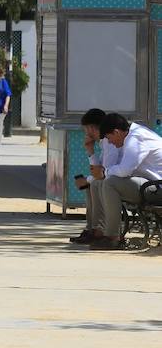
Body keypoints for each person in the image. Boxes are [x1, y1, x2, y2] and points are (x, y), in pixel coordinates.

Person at [90, 113, 162, 251]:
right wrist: (105, 172)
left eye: (109, 138)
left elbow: (124, 170)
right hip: (151, 184)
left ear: (116, 132)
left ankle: (112, 237)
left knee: (110, 183)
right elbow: (118, 168)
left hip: (157, 187)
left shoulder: (135, 138)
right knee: (100, 183)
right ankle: (100, 230)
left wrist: (105, 172)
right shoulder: (130, 136)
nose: (110, 142)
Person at [69, 107, 118, 247]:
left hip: (115, 182)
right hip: (110, 179)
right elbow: (98, 170)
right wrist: (90, 151)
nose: (85, 133)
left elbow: (102, 174)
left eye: (85, 129)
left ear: (91, 128)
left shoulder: (109, 144)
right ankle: (91, 228)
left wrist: (88, 179)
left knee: (94, 184)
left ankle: (98, 229)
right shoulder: (104, 144)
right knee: (91, 184)